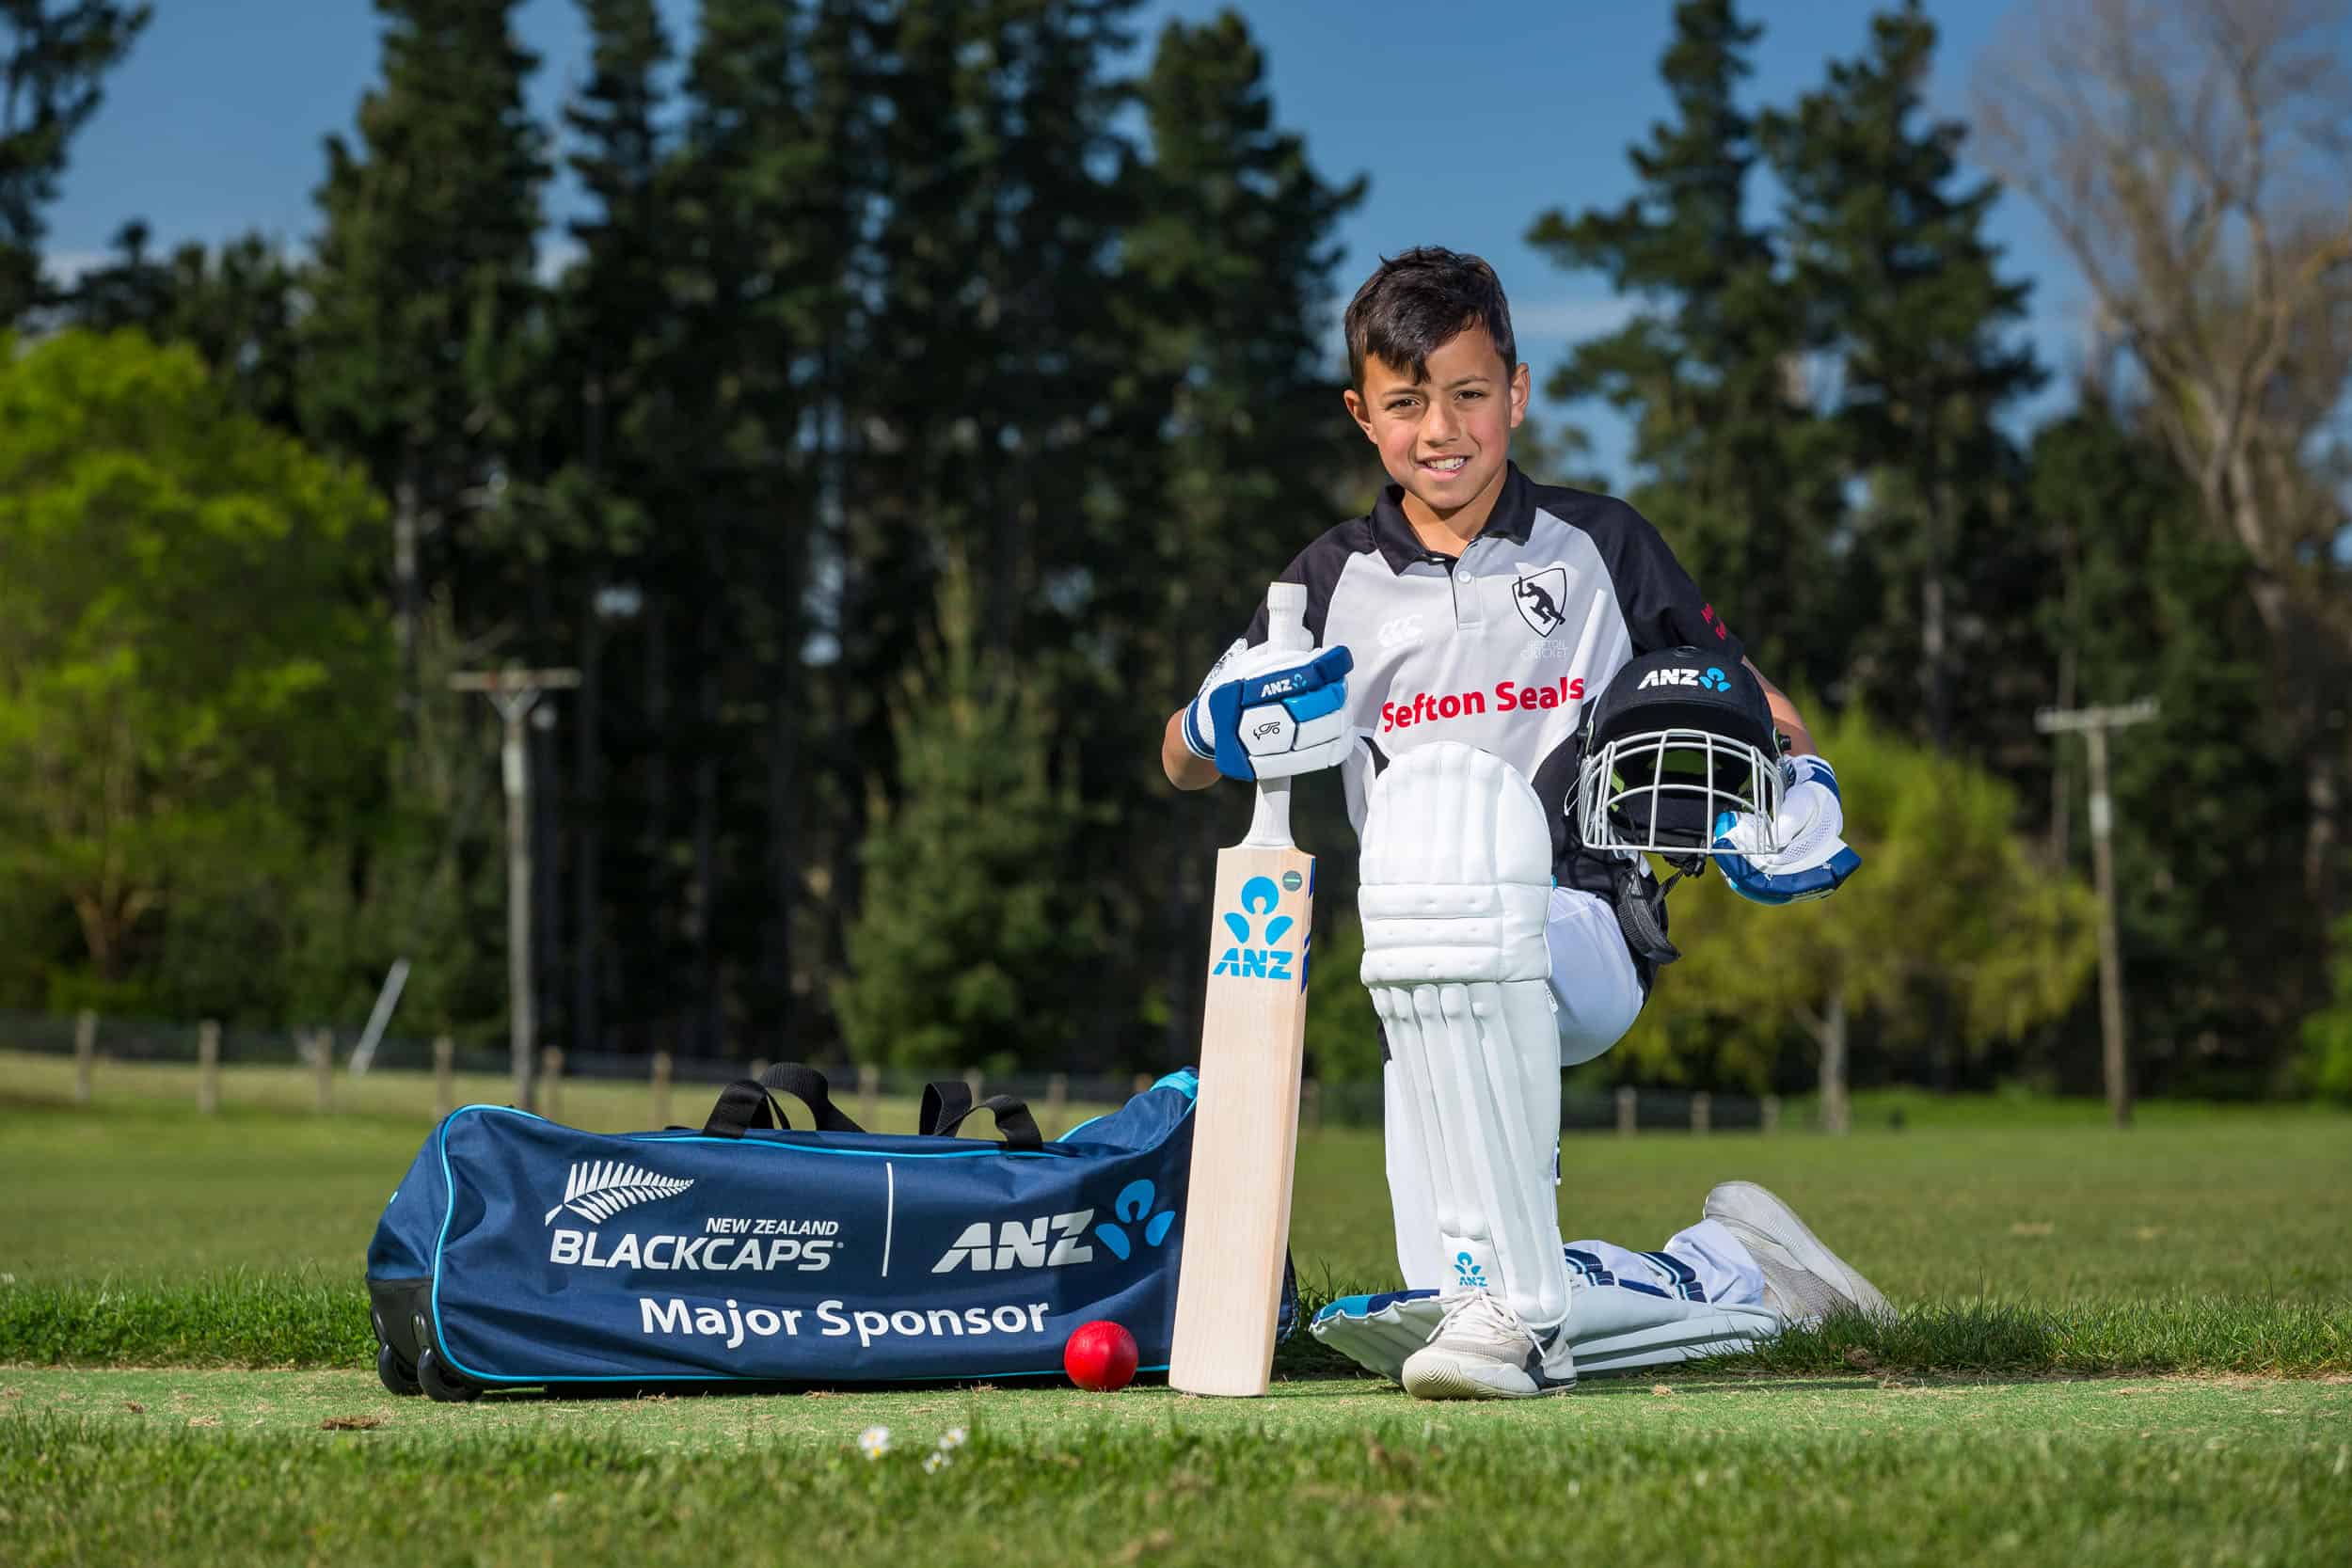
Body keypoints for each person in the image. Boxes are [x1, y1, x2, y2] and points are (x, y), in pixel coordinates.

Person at [1159, 247, 1885, 1400]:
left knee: (1462, 876)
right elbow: (1183, 757)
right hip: (1412, 976)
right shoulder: (1330, 581)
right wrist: (1209, 719)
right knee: (1467, 1288)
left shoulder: (1598, 543)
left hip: (1581, 926)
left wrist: (1801, 780)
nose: (1439, 428)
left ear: (1517, 391)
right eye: (1405, 403)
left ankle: (1511, 1298)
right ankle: (1722, 1269)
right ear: (1362, 414)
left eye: (1467, 393)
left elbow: (1748, 697)